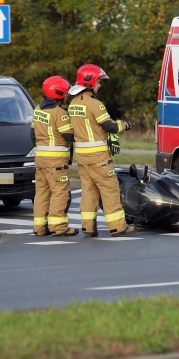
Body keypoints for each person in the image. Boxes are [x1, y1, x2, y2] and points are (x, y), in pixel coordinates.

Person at [67, 64, 134, 237]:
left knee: (88, 191)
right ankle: (118, 227)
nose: (100, 85)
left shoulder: (73, 104)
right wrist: (125, 125)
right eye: (98, 81)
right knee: (110, 190)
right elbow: (110, 126)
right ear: (89, 82)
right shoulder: (95, 104)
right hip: (99, 158)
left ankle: (88, 227)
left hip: (82, 158)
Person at [31, 76, 78, 236]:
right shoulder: (60, 113)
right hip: (56, 161)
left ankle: (40, 227)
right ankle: (59, 227)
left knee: (42, 192)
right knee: (60, 192)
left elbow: (32, 135)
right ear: (60, 94)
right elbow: (68, 137)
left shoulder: (37, 109)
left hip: (40, 159)